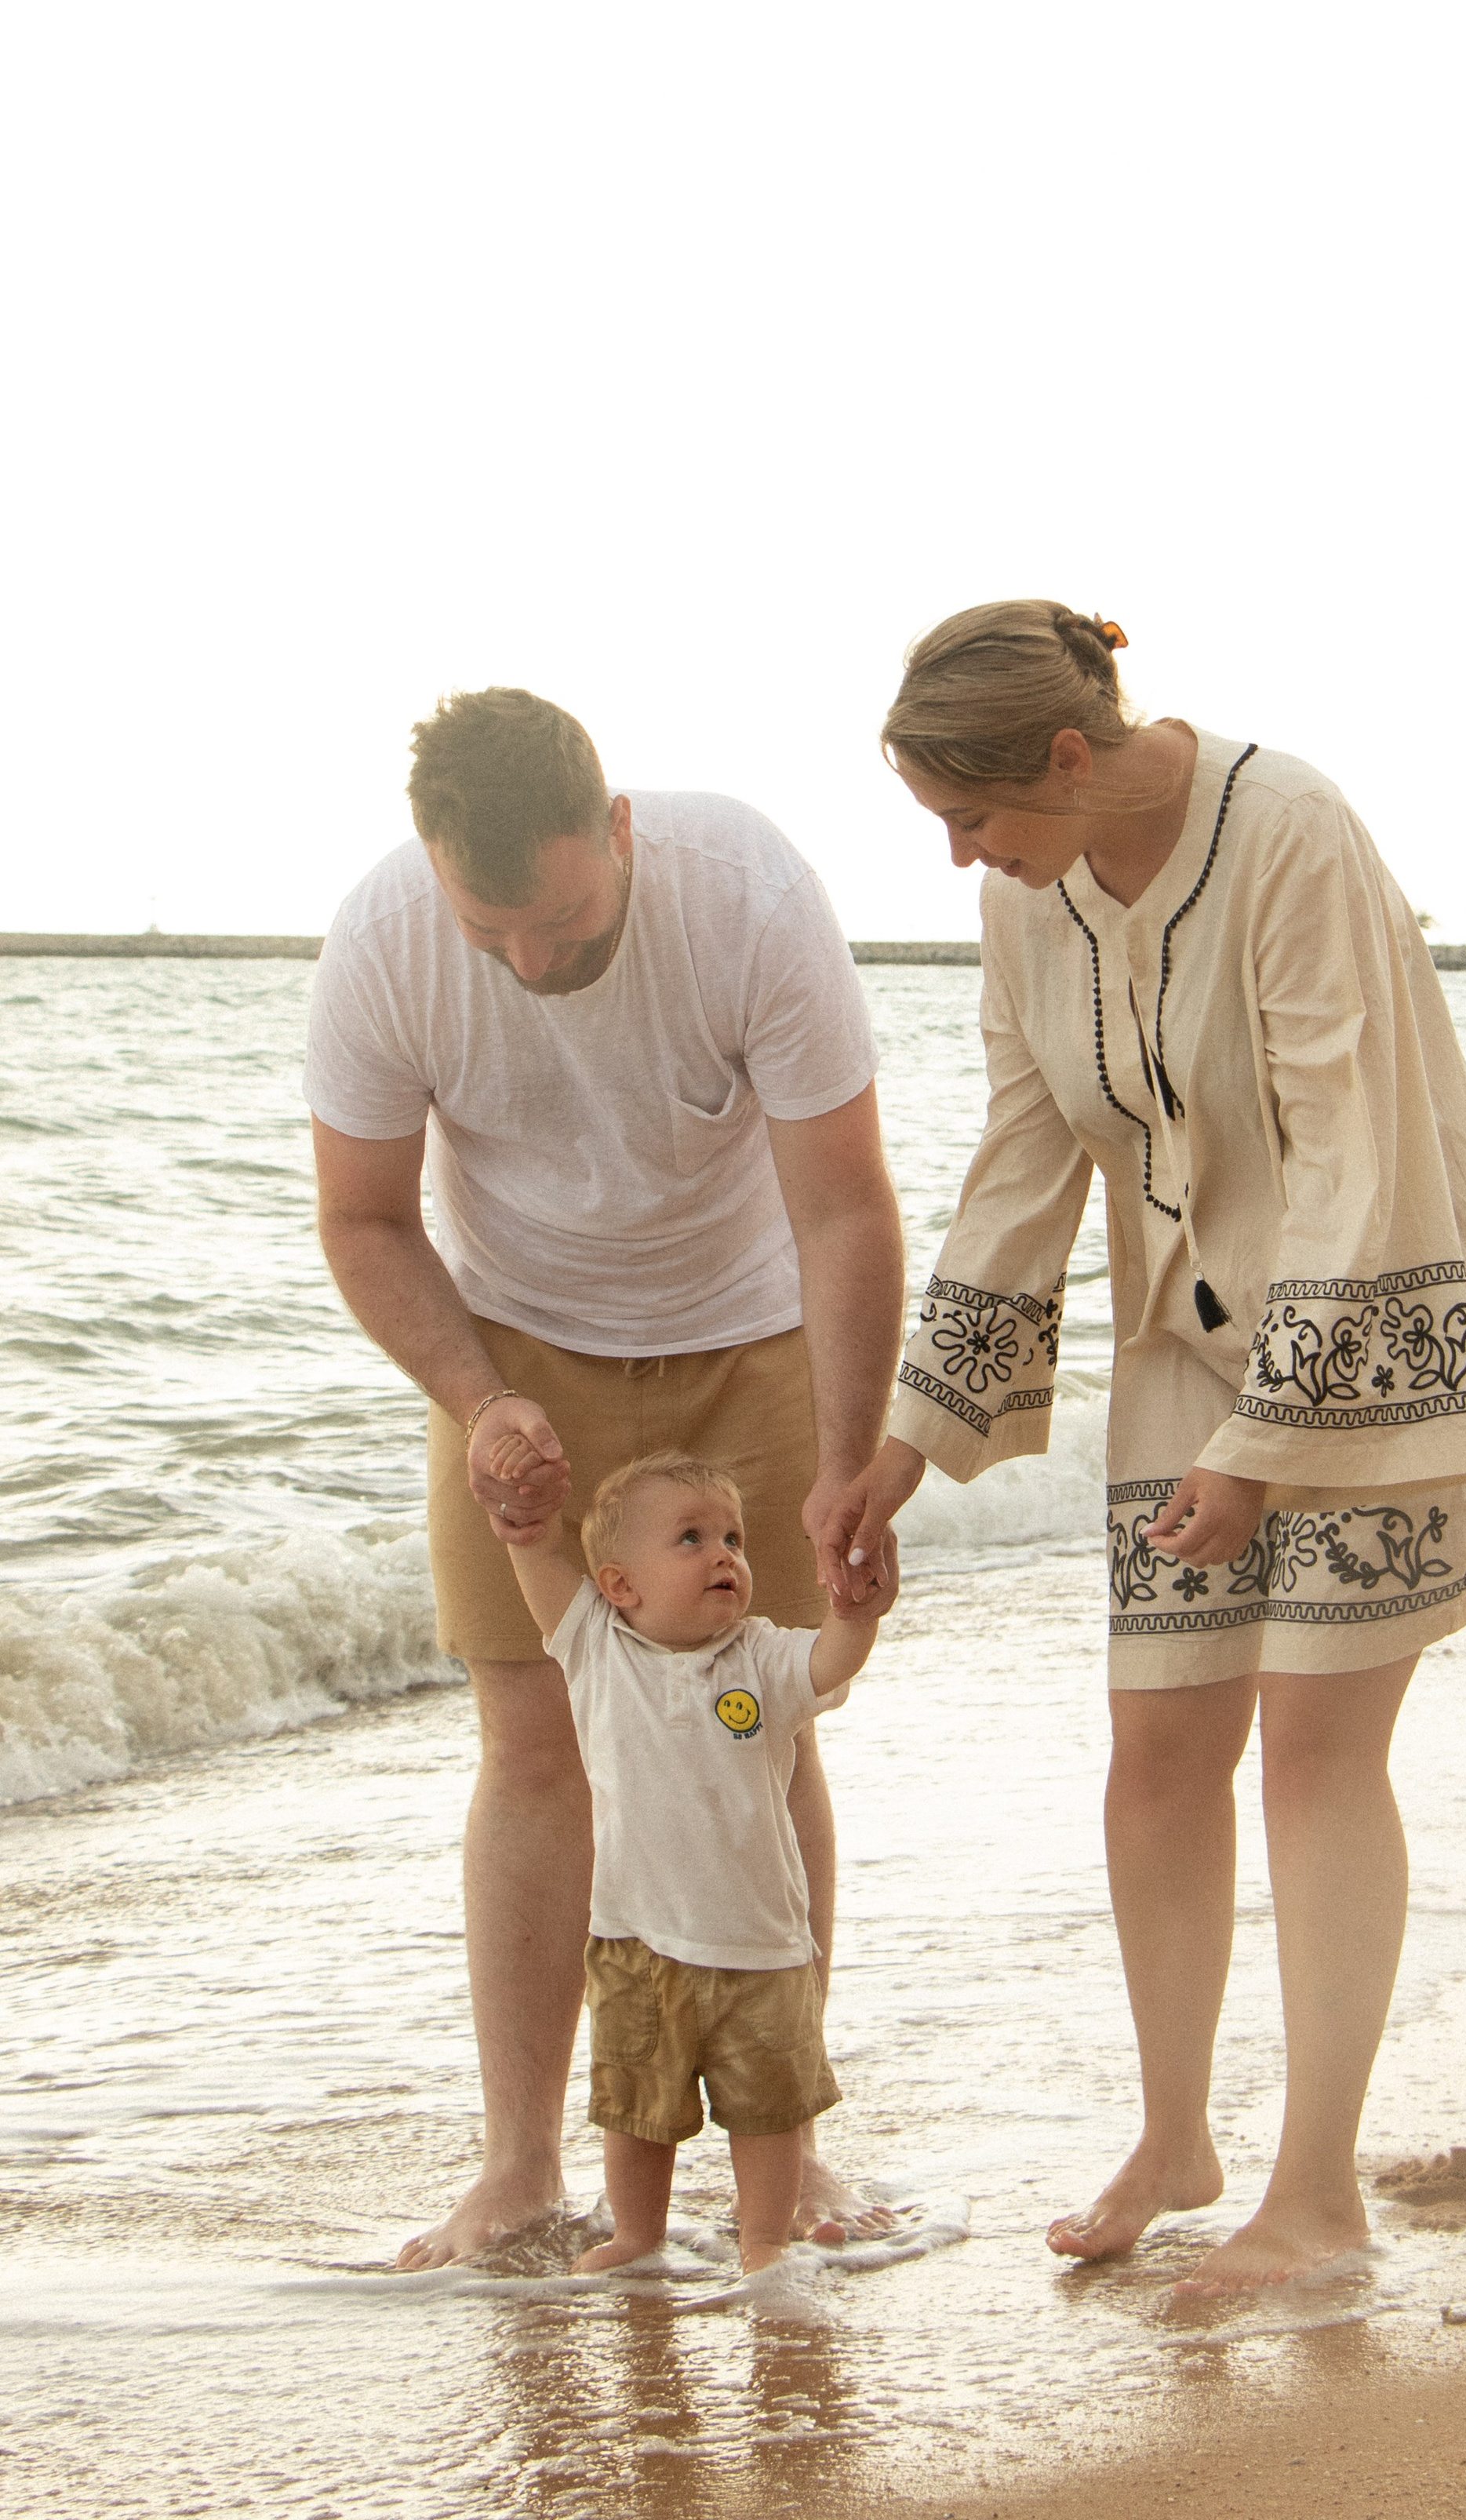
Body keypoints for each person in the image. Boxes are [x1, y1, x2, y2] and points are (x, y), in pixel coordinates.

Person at [823, 602, 1466, 2296]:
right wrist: (903, 1443)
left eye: (976, 817)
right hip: (1186, 1328)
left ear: (1073, 758)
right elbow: (1022, 1166)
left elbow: (1350, 1160)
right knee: (1157, 1745)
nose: (963, 860)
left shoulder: (1289, 834)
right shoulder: (1029, 908)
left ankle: (1316, 2199)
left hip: (1383, 1310)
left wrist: (1263, 1443)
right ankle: (1177, 2134)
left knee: (1315, 1746)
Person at [306, 687, 904, 2268]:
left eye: (561, 924)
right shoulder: (383, 944)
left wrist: (849, 1457)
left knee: (760, 1730)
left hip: (748, 1329)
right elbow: (365, 1218)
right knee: (533, 1740)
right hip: (512, 1344)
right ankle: (519, 2164)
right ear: (434, 869)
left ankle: (790, 2150)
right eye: (488, 928)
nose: (528, 964)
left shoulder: (747, 895)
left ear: (618, 830)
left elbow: (844, 1205)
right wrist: (479, 1397)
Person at [497, 1449, 894, 2275]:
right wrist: (526, 1523)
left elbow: (830, 1663)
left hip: (762, 1950)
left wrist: (858, 1615)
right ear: (618, 1586)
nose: (724, 1554)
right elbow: (538, 1564)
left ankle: (762, 2243)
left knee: (768, 2114)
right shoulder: (596, 1650)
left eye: (733, 1538)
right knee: (637, 2111)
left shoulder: (761, 1656)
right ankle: (637, 2237)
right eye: (691, 1539)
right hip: (636, 1946)